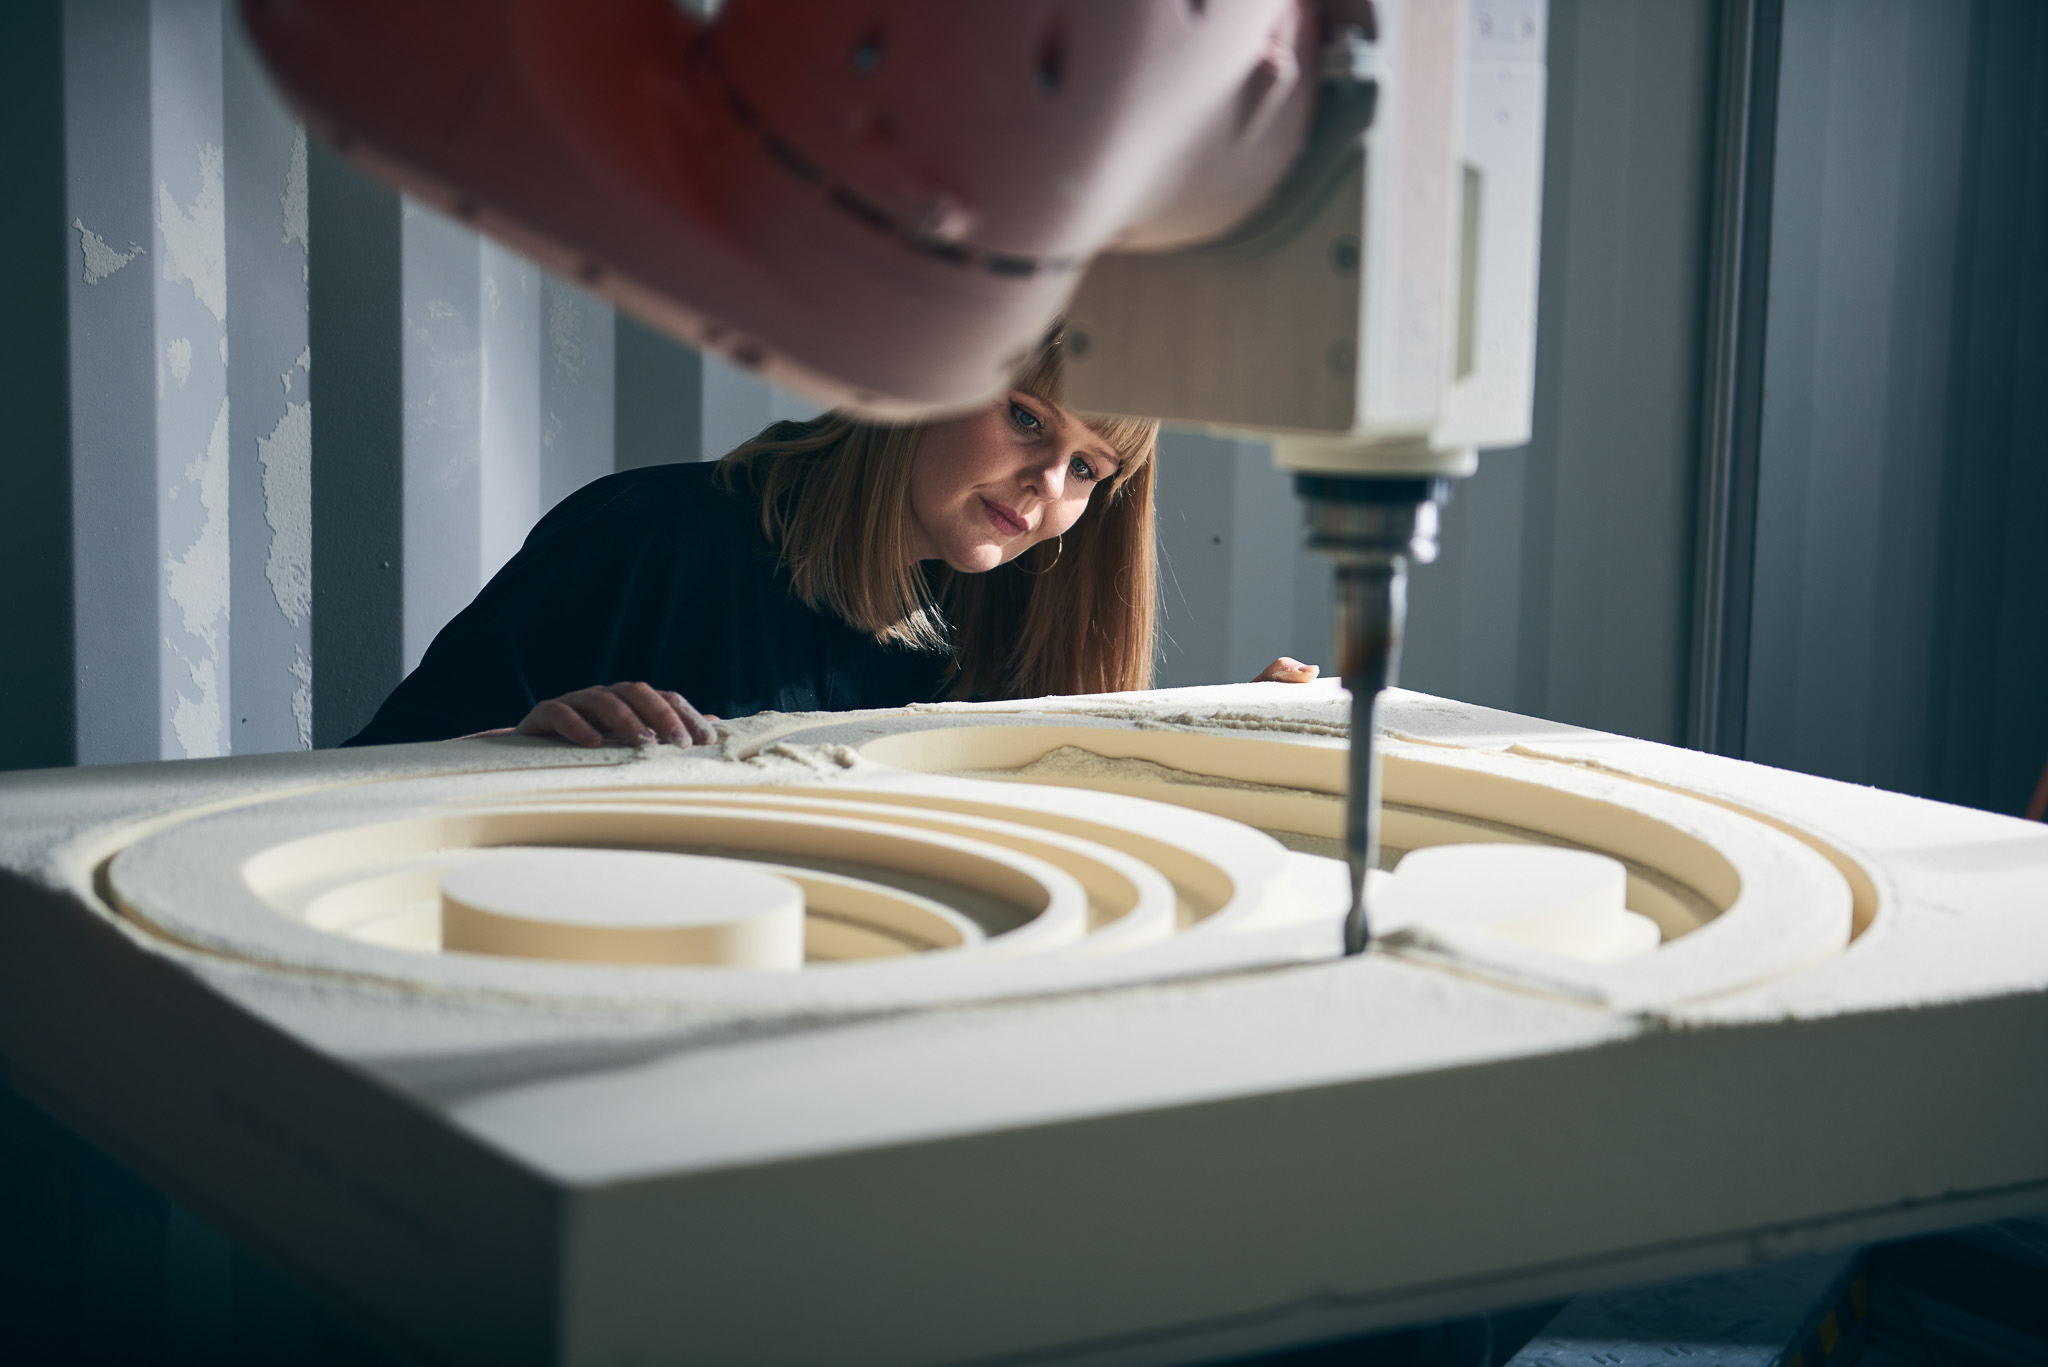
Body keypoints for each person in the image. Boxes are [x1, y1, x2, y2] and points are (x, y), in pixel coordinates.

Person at [343, 336, 1318, 750]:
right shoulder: (646, 537)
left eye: (1085, 470)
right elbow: (353, 780)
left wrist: (1229, 748)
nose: (1045, 486)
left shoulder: (1001, 634)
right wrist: (513, 748)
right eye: (1026, 420)